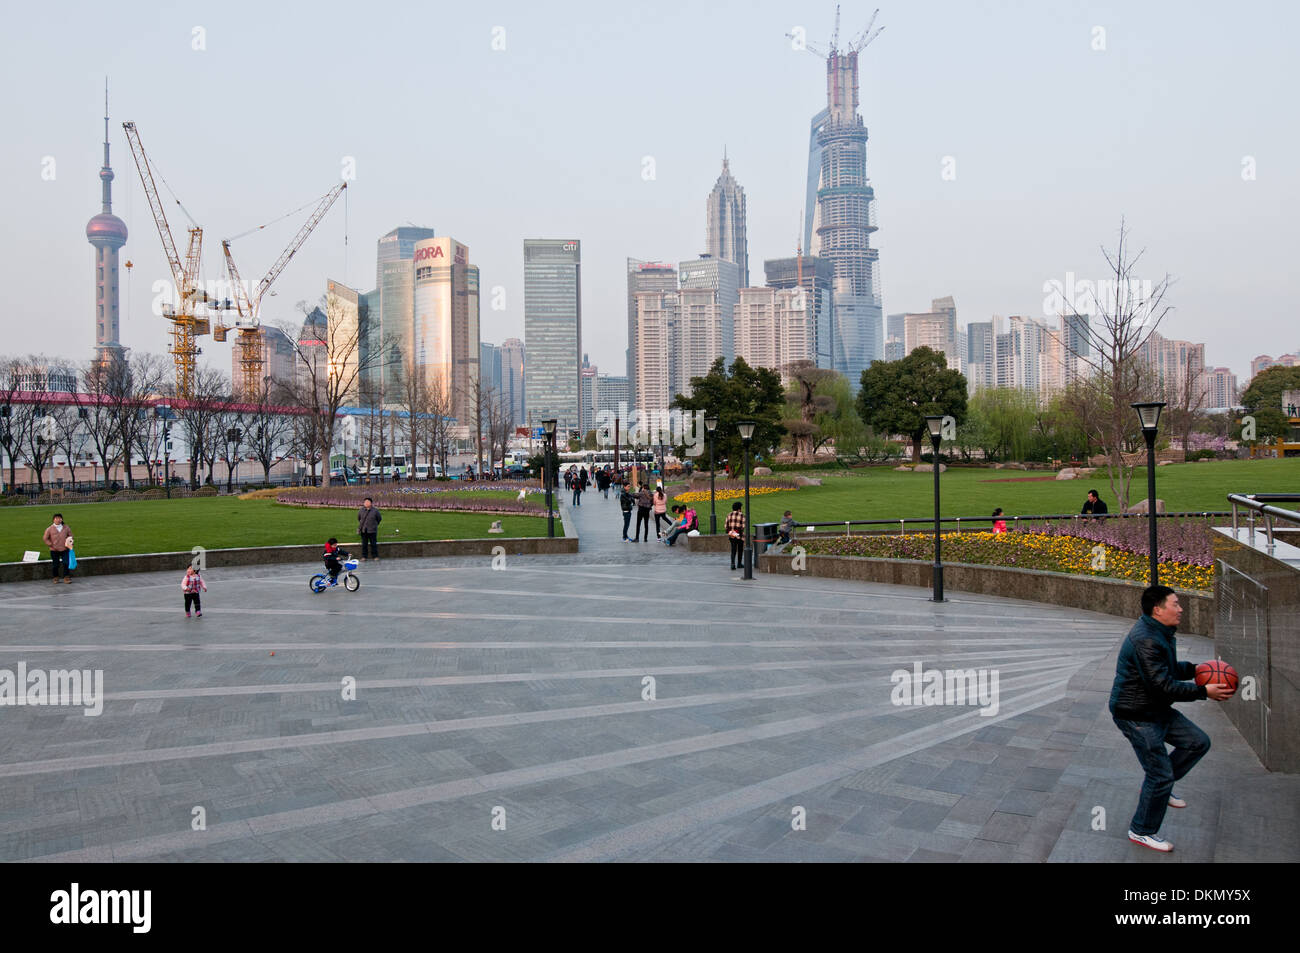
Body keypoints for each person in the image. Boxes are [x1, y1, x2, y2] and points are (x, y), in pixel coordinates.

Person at [1109, 585, 1234, 853]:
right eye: (1175, 604)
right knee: (1160, 774)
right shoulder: (1146, 639)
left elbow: (1168, 669)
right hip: (1136, 715)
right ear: (1158, 609)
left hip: (1154, 709)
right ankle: (1141, 830)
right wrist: (1204, 691)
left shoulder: (1159, 632)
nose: (1180, 609)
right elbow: (1163, 686)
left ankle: (1159, 789)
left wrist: (1197, 670)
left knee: (1197, 742)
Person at [43, 513, 73, 584]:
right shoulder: (49, 529)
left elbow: (71, 536)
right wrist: (51, 545)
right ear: (53, 520)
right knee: (55, 564)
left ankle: (66, 577)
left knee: (66, 563)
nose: (58, 520)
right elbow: (45, 538)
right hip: (54, 550)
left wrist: (70, 542)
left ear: (62, 519)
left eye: (60, 518)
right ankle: (55, 577)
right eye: (56, 518)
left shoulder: (66, 527)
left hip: (65, 549)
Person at [725, 501, 746, 570]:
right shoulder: (741, 515)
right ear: (739, 508)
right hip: (739, 536)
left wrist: (731, 532)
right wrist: (737, 532)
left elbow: (726, 526)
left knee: (733, 549)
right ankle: (739, 563)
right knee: (740, 549)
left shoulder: (729, 515)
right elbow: (743, 526)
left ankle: (732, 563)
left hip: (731, 535)